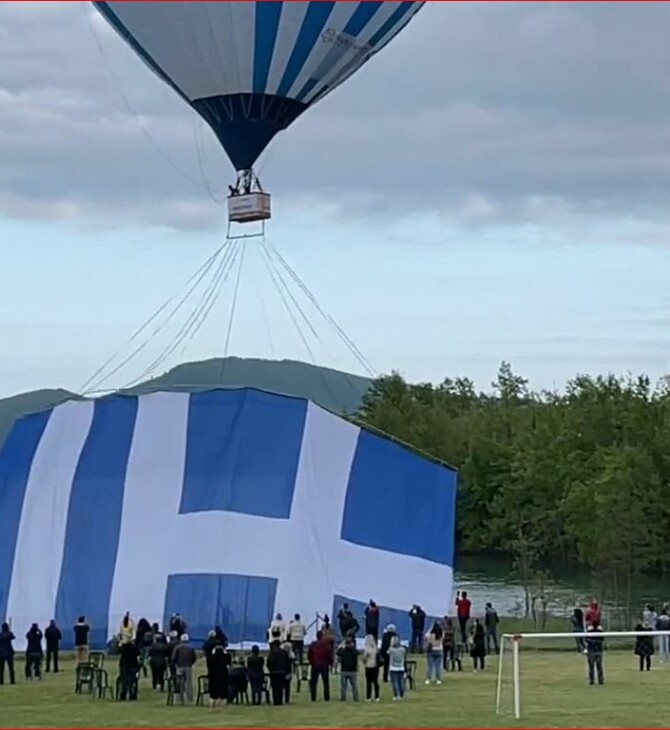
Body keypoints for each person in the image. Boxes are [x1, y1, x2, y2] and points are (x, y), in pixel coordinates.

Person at [172, 634, 197, 704]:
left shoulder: (177, 647)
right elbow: (194, 658)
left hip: (180, 667)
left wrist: (176, 663)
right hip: (188, 667)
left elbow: (173, 658)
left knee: (180, 683)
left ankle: (180, 698)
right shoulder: (191, 648)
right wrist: (190, 664)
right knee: (189, 683)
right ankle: (190, 698)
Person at [307, 630, 332, 702]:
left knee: (314, 682)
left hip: (315, 664)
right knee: (326, 682)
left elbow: (309, 655)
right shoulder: (326, 644)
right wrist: (330, 663)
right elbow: (329, 655)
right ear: (322, 636)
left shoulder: (313, 644)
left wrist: (311, 662)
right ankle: (326, 697)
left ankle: (313, 697)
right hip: (324, 664)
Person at [266, 639, 291, 706]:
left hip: (274, 672)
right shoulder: (284, 652)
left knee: (274, 687)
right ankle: (280, 700)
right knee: (280, 687)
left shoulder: (272, 652)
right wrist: (288, 672)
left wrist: (270, 670)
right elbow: (288, 663)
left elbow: (268, 663)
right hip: (282, 672)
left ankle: (275, 701)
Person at [337, 635, 360, 701]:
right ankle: (356, 698)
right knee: (354, 686)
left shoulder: (343, 651)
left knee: (343, 686)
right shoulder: (354, 651)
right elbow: (358, 652)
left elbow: (337, 652)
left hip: (344, 670)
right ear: (352, 643)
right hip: (353, 670)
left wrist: (341, 644)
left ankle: (343, 698)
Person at [207, 645, 230, 709]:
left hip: (213, 678)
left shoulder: (210, 658)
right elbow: (228, 662)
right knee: (223, 696)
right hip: (223, 678)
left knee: (213, 696)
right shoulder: (225, 658)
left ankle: (212, 708)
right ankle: (221, 708)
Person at [387, 635, 407, 700]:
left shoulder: (391, 650)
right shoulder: (403, 649)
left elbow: (387, 653)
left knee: (395, 682)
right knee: (401, 682)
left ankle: (396, 695)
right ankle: (401, 695)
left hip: (393, 667)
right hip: (401, 667)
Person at [362, 634, 381, 702]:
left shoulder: (366, 649)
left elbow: (364, 660)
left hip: (368, 666)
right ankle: (377, 696)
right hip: (375, 666)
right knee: (375, 682)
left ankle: (368, 697)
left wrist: (365, 659)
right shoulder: (375, 648)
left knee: (368, 682)